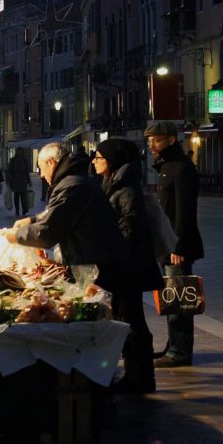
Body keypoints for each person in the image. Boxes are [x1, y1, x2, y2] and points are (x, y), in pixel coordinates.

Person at [6, 142, 128, 296]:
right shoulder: (74, 180)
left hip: (99, 268)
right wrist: (33, 220)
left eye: (41, 169)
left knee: (110, 313)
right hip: (99, 262)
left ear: (50, 163)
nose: (41, 175)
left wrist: (15, 235)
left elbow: (48, 233)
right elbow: (60, 212)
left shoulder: (71, 186)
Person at [93, 138, 163, 393]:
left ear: (112, 161)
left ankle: (141, 377)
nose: (95, 161)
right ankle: (137, 374)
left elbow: (129, 229)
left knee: (132, 320)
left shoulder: (125, 189)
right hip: (124, 265)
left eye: (99, 158)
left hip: (129, 267)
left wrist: (108, 249)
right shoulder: (115, 184)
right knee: (129, 318)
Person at [145, 121, 204, 368]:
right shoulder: (167, 167)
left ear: (170, 140)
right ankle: (174, 345)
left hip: (175, 247)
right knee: (171, 296)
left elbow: (185, 212)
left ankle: (180, 350)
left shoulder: (181, 168)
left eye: (156, 140)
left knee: (179, 297)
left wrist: (177, 247)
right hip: (167, 245)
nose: (151, 146)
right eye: (149, 141)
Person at [6, 147, 31, 217]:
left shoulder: (25, 160)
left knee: (24, 197)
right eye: (19, 151)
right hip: (15, 181)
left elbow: (27, 172)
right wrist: (8, 180)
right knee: (16, 196)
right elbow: (9, 171)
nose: (20, 153)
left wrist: (29, 181)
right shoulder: (13, 160)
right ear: (17, 152)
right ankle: (17, 210)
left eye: (21, 152)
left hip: (23, 181)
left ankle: (24, 209)